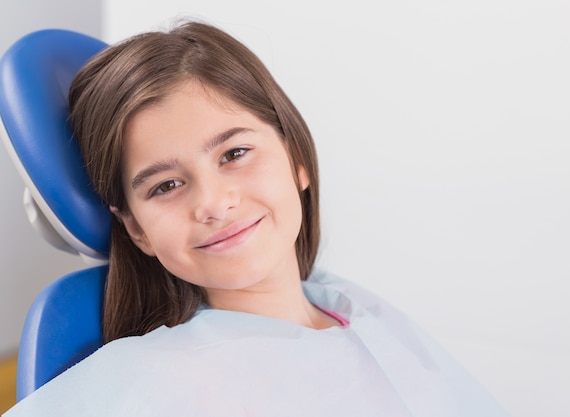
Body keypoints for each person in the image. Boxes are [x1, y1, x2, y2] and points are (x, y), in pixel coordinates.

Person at [4, 21, 510, 417]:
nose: (213, 203)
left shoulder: (356, 310)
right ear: (137, 229)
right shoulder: (164, 383)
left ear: (296, 160)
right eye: (166, 186)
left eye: (234, 153)